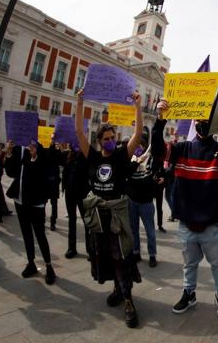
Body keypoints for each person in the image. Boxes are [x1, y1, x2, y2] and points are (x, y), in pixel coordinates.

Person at [154, 99, 218, 321]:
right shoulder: (182, 149)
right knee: (189, 264)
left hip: (213, 224)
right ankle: (189, 292)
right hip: (187, 224)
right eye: (200, 120)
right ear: (195, 122)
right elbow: (158, 150)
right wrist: (160, 120)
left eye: (208, 121)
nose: (203, 124)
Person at [75, 89, 143, 328]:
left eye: (113, 137)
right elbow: (79, 132)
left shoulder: (122, 157)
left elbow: (137, 133)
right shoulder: (92, 157)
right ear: (99, 141)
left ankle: (128, 301)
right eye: (105, 138)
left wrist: (138, 106)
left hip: (117, 217)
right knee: (105, 258)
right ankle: (116, 289)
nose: (110, 141)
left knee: (121, 258)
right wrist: (80, 101)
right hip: (97, 218)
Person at [5, 139, 56, 284]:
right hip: (20, 199)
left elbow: (43, 170)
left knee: (40, 234)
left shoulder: (39, 147)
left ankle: (49, 266)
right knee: (26, 232)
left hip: (36, 201)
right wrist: (8, 153)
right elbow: (11, 172)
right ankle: (31, 262)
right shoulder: (16, 148)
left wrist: (34, 157)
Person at [126, 137, 159, 268]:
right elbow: (127, 174)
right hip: (132, 200)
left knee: (150, 230)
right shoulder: (130, 159)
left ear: (144, 146)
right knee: (133, 229)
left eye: (140, 145)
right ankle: (136, 252)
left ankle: (152, 255)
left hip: (146, 202)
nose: (137, 147)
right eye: (136, 145)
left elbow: (156, 172)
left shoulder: (150, 159)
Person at [60, 143, 91, 259]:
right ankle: (71, 248)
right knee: (71, 221)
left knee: (87, 221)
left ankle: (90, 249)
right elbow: (54, 157)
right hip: (70, 193)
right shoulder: (67, 155)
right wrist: (53, 143)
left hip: (82, 193)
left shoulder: (85, 156)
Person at [47, 140, 62, 231]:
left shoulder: (49, 151)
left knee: (53, 203)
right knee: (53, 203)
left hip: (52, 181)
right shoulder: (49, 152)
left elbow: (60, 160)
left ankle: (52, 222)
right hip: (51, 181)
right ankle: (52, 222)